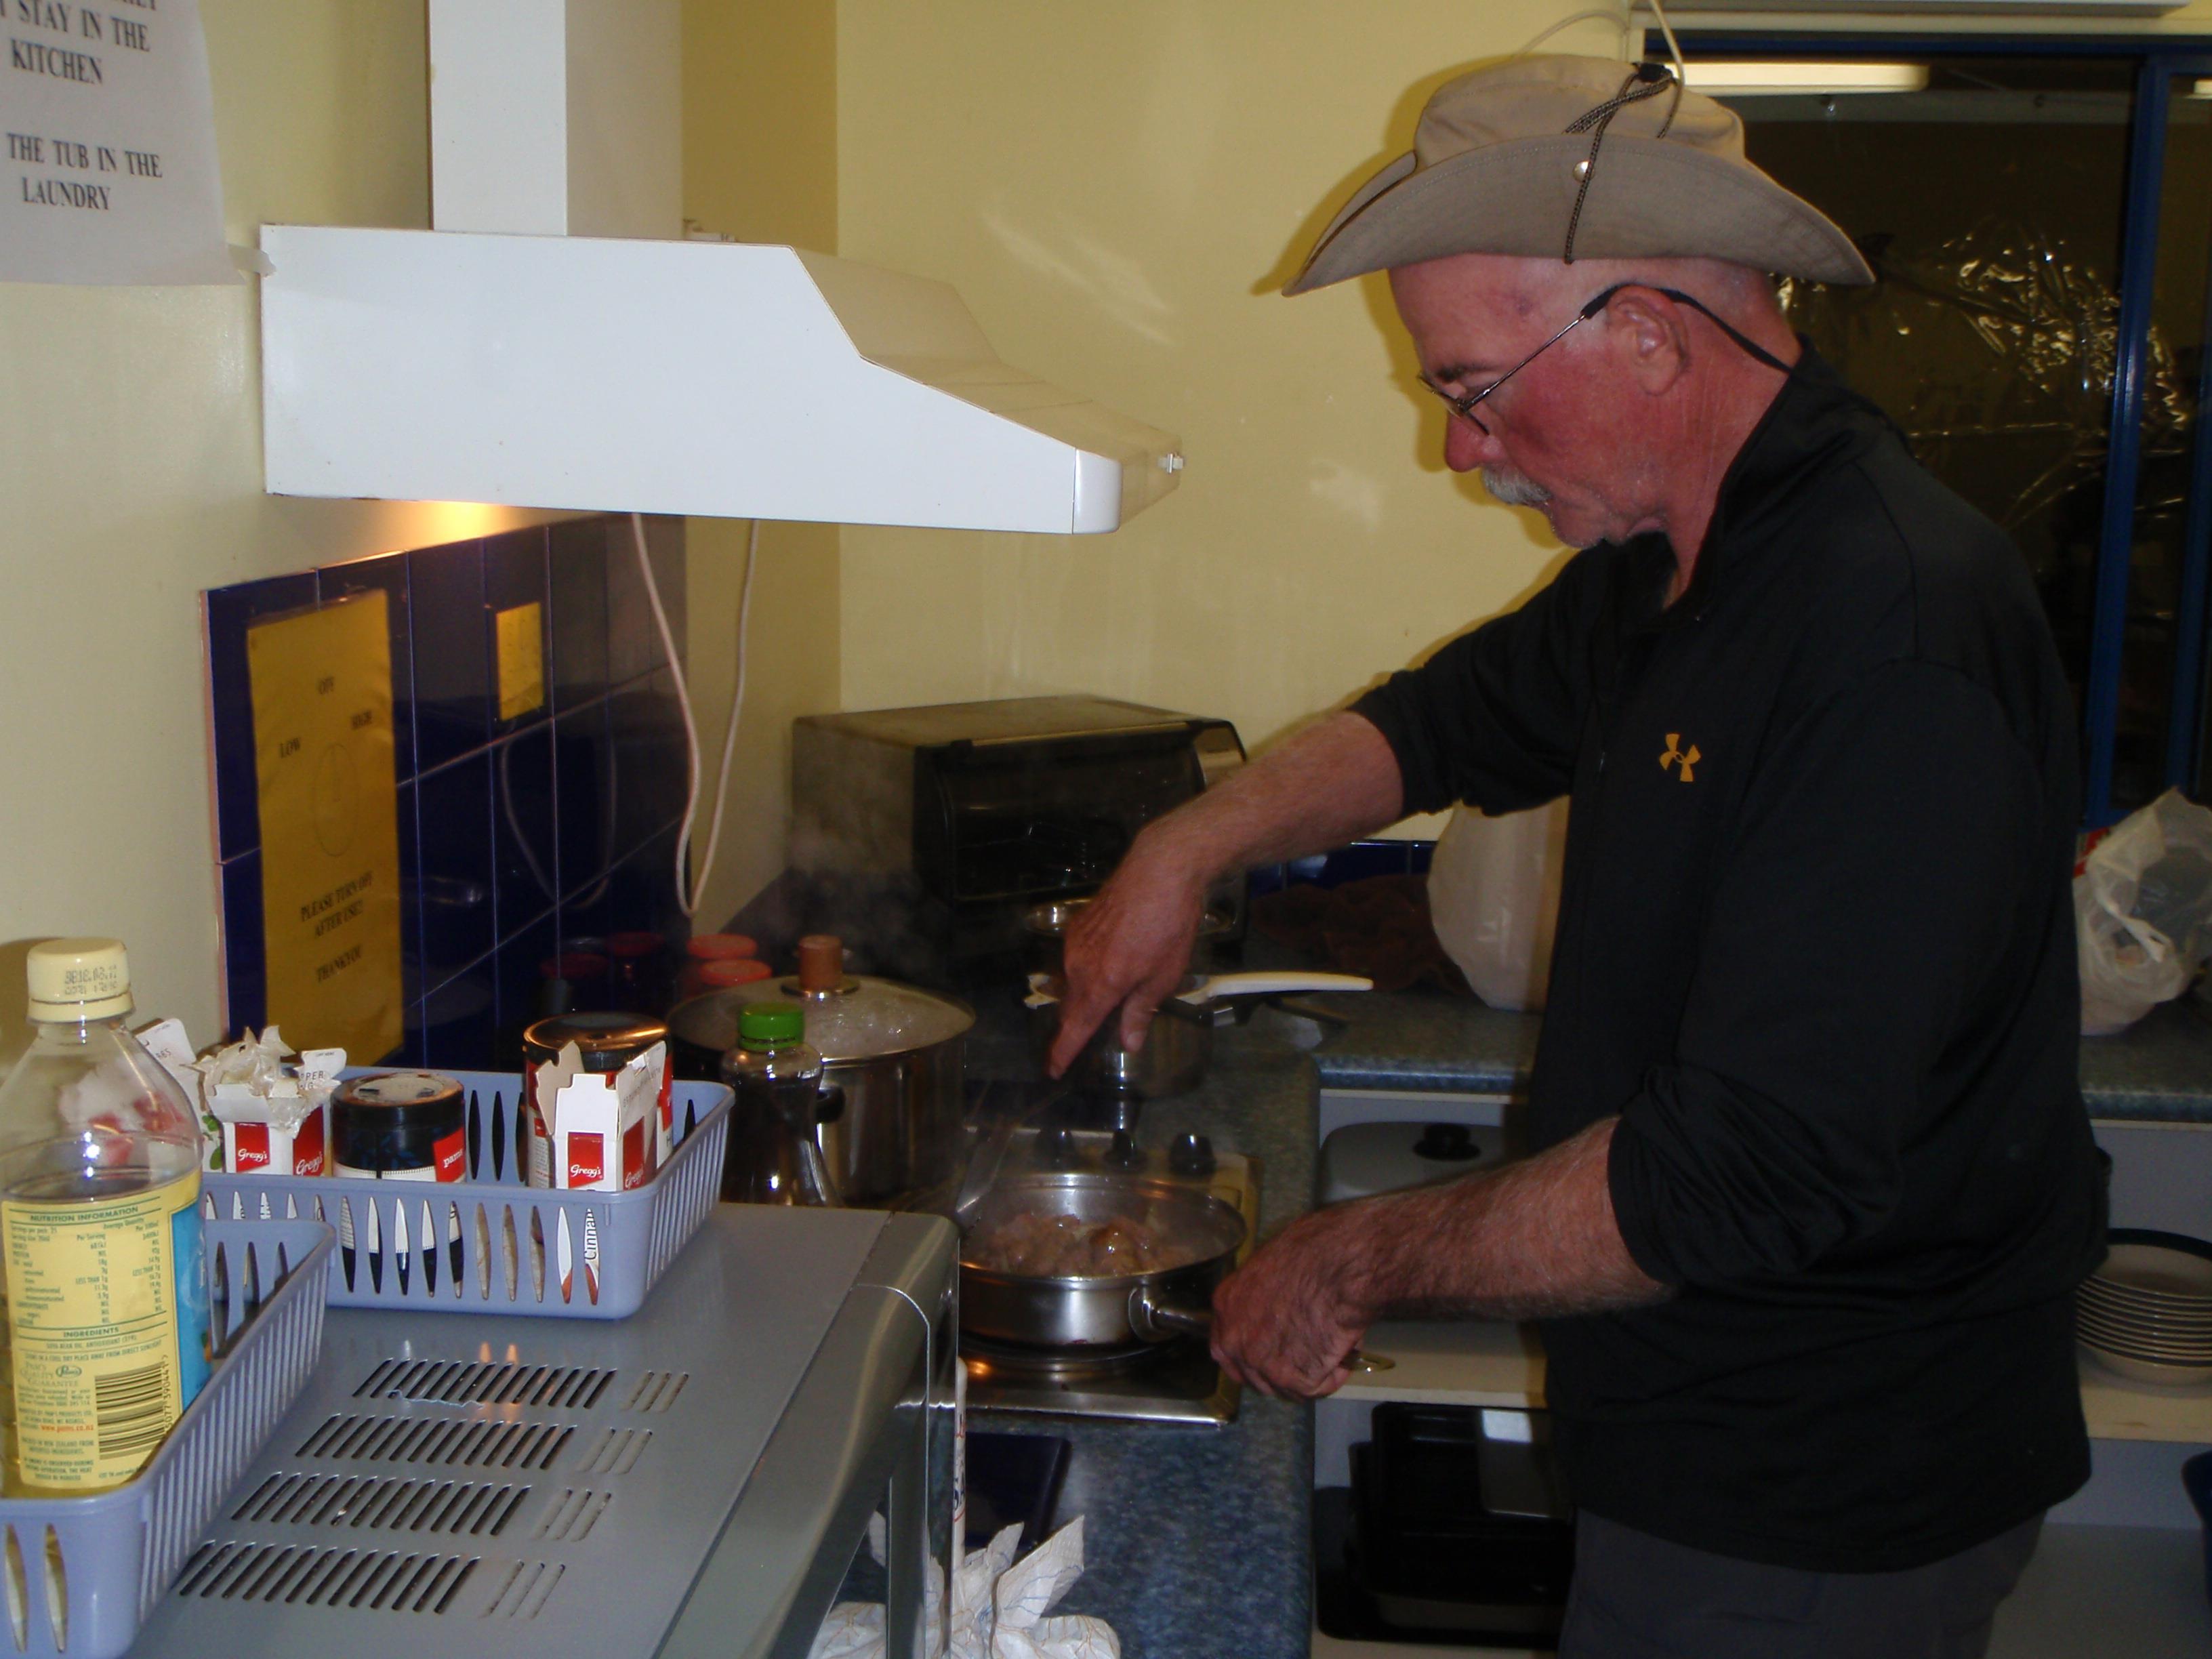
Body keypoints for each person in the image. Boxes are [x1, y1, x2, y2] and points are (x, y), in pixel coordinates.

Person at [1046, 54, 2106, 1658]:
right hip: (1702, 1429)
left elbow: (1738, 1176)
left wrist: (1349, 1259)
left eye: (1473, 388)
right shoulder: (1677, 561)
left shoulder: (1885, 633)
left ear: (1650, 336)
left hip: (1819, 1489)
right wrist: (1182, 848)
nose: (1457, 450)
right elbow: (1442, 723)